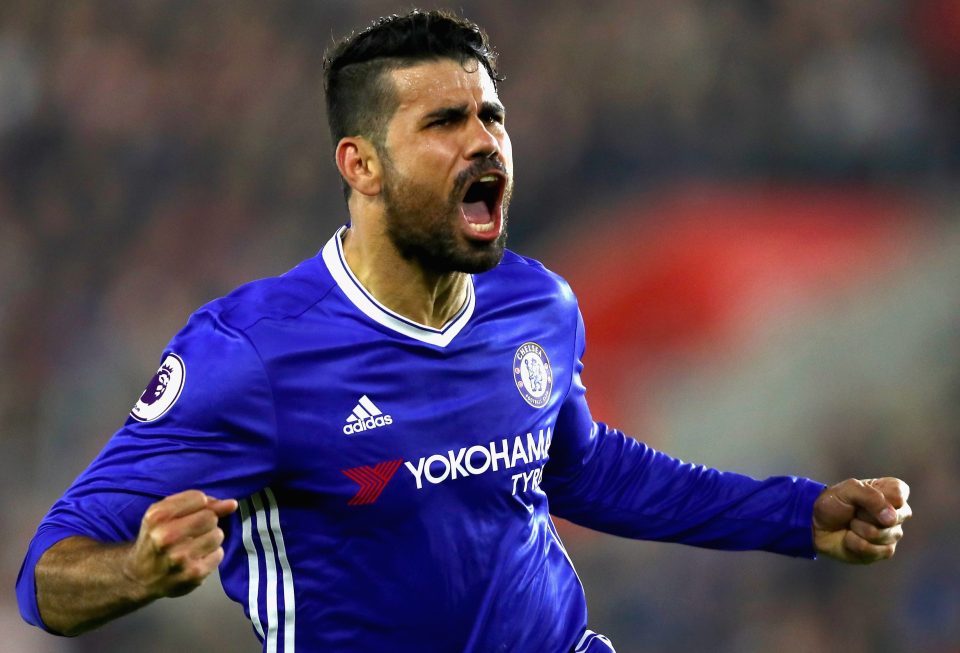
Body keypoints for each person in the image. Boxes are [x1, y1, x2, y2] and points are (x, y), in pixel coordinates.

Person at [16, 9, 911, 653]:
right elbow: (44, 580)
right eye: (445, 122)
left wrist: (794, 514)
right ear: (360, 163)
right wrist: (138, 571)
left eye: (492, 116)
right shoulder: (250, 353)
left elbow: (582, 468)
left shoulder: (537, 304)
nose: (485, 141)